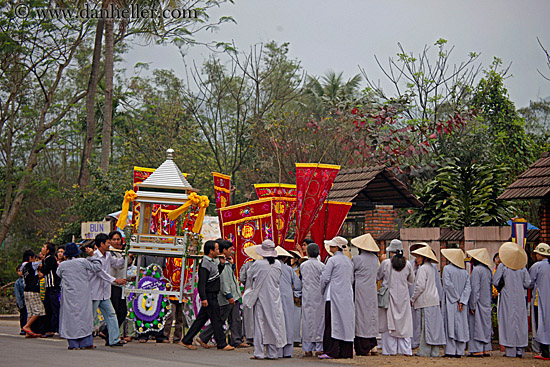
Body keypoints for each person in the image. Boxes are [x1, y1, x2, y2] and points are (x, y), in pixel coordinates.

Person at [180, 240, 234, 351]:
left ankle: (187, 340)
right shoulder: (204, 263)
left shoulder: (212, 262)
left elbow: (215, 275)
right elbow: (202, 283)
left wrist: (222, 264)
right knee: (217, 320)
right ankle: (222, 343)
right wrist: (203, 298)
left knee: (201, 320)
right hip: (209, 296)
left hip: (213, 295)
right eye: (217, 249)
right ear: (211, 251)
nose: (219, 251)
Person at [198, 239, 248, 349]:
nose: (232, 251)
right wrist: (229, 295)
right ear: (224, 250)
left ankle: (236, 339)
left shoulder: (227, 262)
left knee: (234, 318)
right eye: (230, 249)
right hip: (227, 297)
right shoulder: (221, 263)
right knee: (220, 319)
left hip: (232, 295)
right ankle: (204, 336)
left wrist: (232, 265)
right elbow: (224, 281)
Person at [56, 243, 104, 349]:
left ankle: (73, 344)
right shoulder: (82, 262)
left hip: (69, 295)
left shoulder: (63, 265)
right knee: (84, 316)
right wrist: (93, 256)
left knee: (70, 318)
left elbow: (58, 274)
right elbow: (97, 268)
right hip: (83, 294)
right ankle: (86, 342)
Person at [247, 240, 287, 360]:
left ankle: (259, 352)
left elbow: (249, 278)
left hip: (261, 297)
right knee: (274, 323)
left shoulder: (257, 264)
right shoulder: (278, 264)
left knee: (260, 325)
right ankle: (273, 352)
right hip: (274, 298)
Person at [493, 242, 531, 358]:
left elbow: (495, 281)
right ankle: (520, 349)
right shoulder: (522, 268)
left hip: (506, 297)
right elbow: (527, 283)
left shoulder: (503, 267)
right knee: (520, 321)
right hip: (519, 298)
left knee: (507, 320)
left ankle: (510, 350)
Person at [319, 236, 355, 359]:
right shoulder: (349, 261)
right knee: (345, 323)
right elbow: (351, 278)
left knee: (332, 324)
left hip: (333, 295)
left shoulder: (332, 260)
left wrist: (322, 290)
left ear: (336, 247)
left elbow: (325, 278)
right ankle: (346, 351)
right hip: (347, 295)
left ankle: (331, 351)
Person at [89, 233, 127, 347]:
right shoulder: (94, 257)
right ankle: (86, 339)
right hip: (95, 291)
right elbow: (101, 273)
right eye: (108, 243)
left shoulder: (108, 255)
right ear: (101, 244)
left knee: (111, 314)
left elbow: (117, 264)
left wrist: (126, 257)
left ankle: (114, 339)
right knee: (91, 316)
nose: (109, 245)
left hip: (105, 292)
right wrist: (115, 280)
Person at [377, 239, 415, 356]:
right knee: (404, 323)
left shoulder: (386, 263)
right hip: (403, 297)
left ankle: (389, 350)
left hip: (390, 296)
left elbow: (378, 276)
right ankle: (405, 350)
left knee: (389, 323)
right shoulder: (408, 264)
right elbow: (411, 280)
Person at [410, 245, 446, 357]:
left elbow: (419, 286)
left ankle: (424, 351)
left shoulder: (423, 269)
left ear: (424, 257)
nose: (416, 259)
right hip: (433, 300)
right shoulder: (431, 267)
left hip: (425, 301)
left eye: (419, 257)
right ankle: (434, 351)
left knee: (425, 327)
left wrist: (413, 298)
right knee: (434, 327)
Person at [351, 233, 380, 356]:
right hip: (372, 289)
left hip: (360, 290)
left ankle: (363, 347)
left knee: (361, 317)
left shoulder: (357, 259)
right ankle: (373, 345)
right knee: (371, 316)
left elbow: (350, 275)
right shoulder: (375, 259)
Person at [441, 248, 471, 357]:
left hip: (451, 301)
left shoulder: (447, 269)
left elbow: (448, 285)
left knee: (450, 325)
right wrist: (462, 300)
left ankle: (450, 351)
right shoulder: (464, 272)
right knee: (461, 325)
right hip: (461, 304)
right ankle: (460, 351)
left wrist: (457, 299)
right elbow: (468, 288)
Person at [466, 248, 493, 357]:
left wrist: (472, 304)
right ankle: (486, 349)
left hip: (478, 303)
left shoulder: (477, 271)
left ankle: (477, 349)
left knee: (476, 326)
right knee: (486, 325)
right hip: (486, 302)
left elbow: (475, 289)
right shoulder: (488, 270)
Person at [300, 243, 325, 357]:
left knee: (307, 320)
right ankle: (319, 346)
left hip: (307, 295)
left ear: (308, 253)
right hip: (319, 295)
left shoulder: (303, 265)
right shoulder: (322, 266)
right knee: (319, 320)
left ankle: (307, 348)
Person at [276, 246, 302, 358]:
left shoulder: (272, 268)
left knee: (276, 322)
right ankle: (287, 351)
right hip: (287, 297)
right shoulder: (289, 269)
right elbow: (298, 286)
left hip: (274, 296)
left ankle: (277, 350)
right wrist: (295, 295)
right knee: (288, 322)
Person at [529, 243, 550, 360]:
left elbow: (529, 282)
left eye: (537, 253)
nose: (536, 255)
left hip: (540, 300)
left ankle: (545, 352)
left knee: (541, 324)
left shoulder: (537, 266)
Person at [21, 249, 45, 337]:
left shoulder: (22, 266)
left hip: (26, 291)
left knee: (30, 312)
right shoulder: (31, 264)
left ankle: (28, 332)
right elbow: (42, 263)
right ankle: (27, 326)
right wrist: (42, 258)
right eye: (34, 258)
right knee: (39, 311)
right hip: (33, 291)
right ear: (31, 257)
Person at [241, 245, 261, 344]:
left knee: (248, 315)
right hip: (260, 292)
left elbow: (242, 278)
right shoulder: (263, 265)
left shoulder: (247, 265)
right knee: (258, 314)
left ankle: (249, 336)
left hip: (249, 291)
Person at [40, 242, 61, 336]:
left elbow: (44, 270)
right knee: (48, 308)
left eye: (44, 247)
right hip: (49, 288)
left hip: (53, 287)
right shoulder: (47, 259)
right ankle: (47, 328)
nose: (42, 249)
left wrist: (41, 266)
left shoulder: (50, 259)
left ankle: (53, 328)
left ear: (48, 250)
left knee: (53, 309)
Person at [14, 265, 26, 335]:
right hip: (22, 302)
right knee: (23, 315)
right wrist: (20, 304)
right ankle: (23, 328)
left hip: (28, 301)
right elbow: (18, 294)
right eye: (18, 271)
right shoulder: (18, 282)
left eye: (21, 270)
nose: (20, 272)